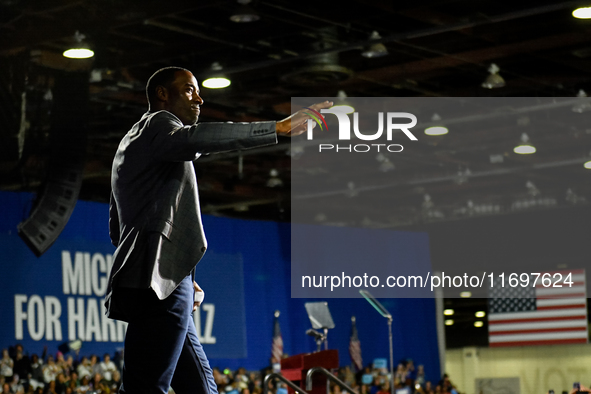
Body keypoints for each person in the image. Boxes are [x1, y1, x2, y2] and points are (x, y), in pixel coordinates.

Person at [104, 66, 331, 394]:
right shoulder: (159, 124)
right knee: (144, 387)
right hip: (160, 285)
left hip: (161, 280)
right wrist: (276, 128)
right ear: (162, 95)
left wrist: (181, 274)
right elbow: (195, 139)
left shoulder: (131, 144)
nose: (199, 97)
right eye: (188, 90)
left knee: (201, 388)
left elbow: (117, 229)